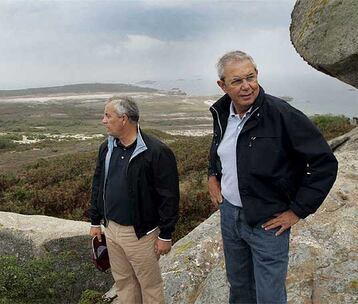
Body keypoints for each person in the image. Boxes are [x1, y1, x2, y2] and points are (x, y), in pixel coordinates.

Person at [208, 51, 338, 304]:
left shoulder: (282, 114)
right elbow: (220, 149)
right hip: (230, 215)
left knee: (269, 296)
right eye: (237, 81)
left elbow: (324, 164)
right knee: (239, 287)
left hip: (268, 221)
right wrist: (213, 175)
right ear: (222, 86)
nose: (247, 86)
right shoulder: (223, 113)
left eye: (251, 77)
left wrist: (298, 210)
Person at [89, 96, 179, 304]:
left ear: (124, 119)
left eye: (108, 116)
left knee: (150, 286)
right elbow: (98, 183)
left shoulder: (156, 151)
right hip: (111, 229)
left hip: (140, 234)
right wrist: (95, 221)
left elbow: (169, 196)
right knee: (123, 283)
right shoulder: (107, 147)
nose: (103, 120)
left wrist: (165, 234)